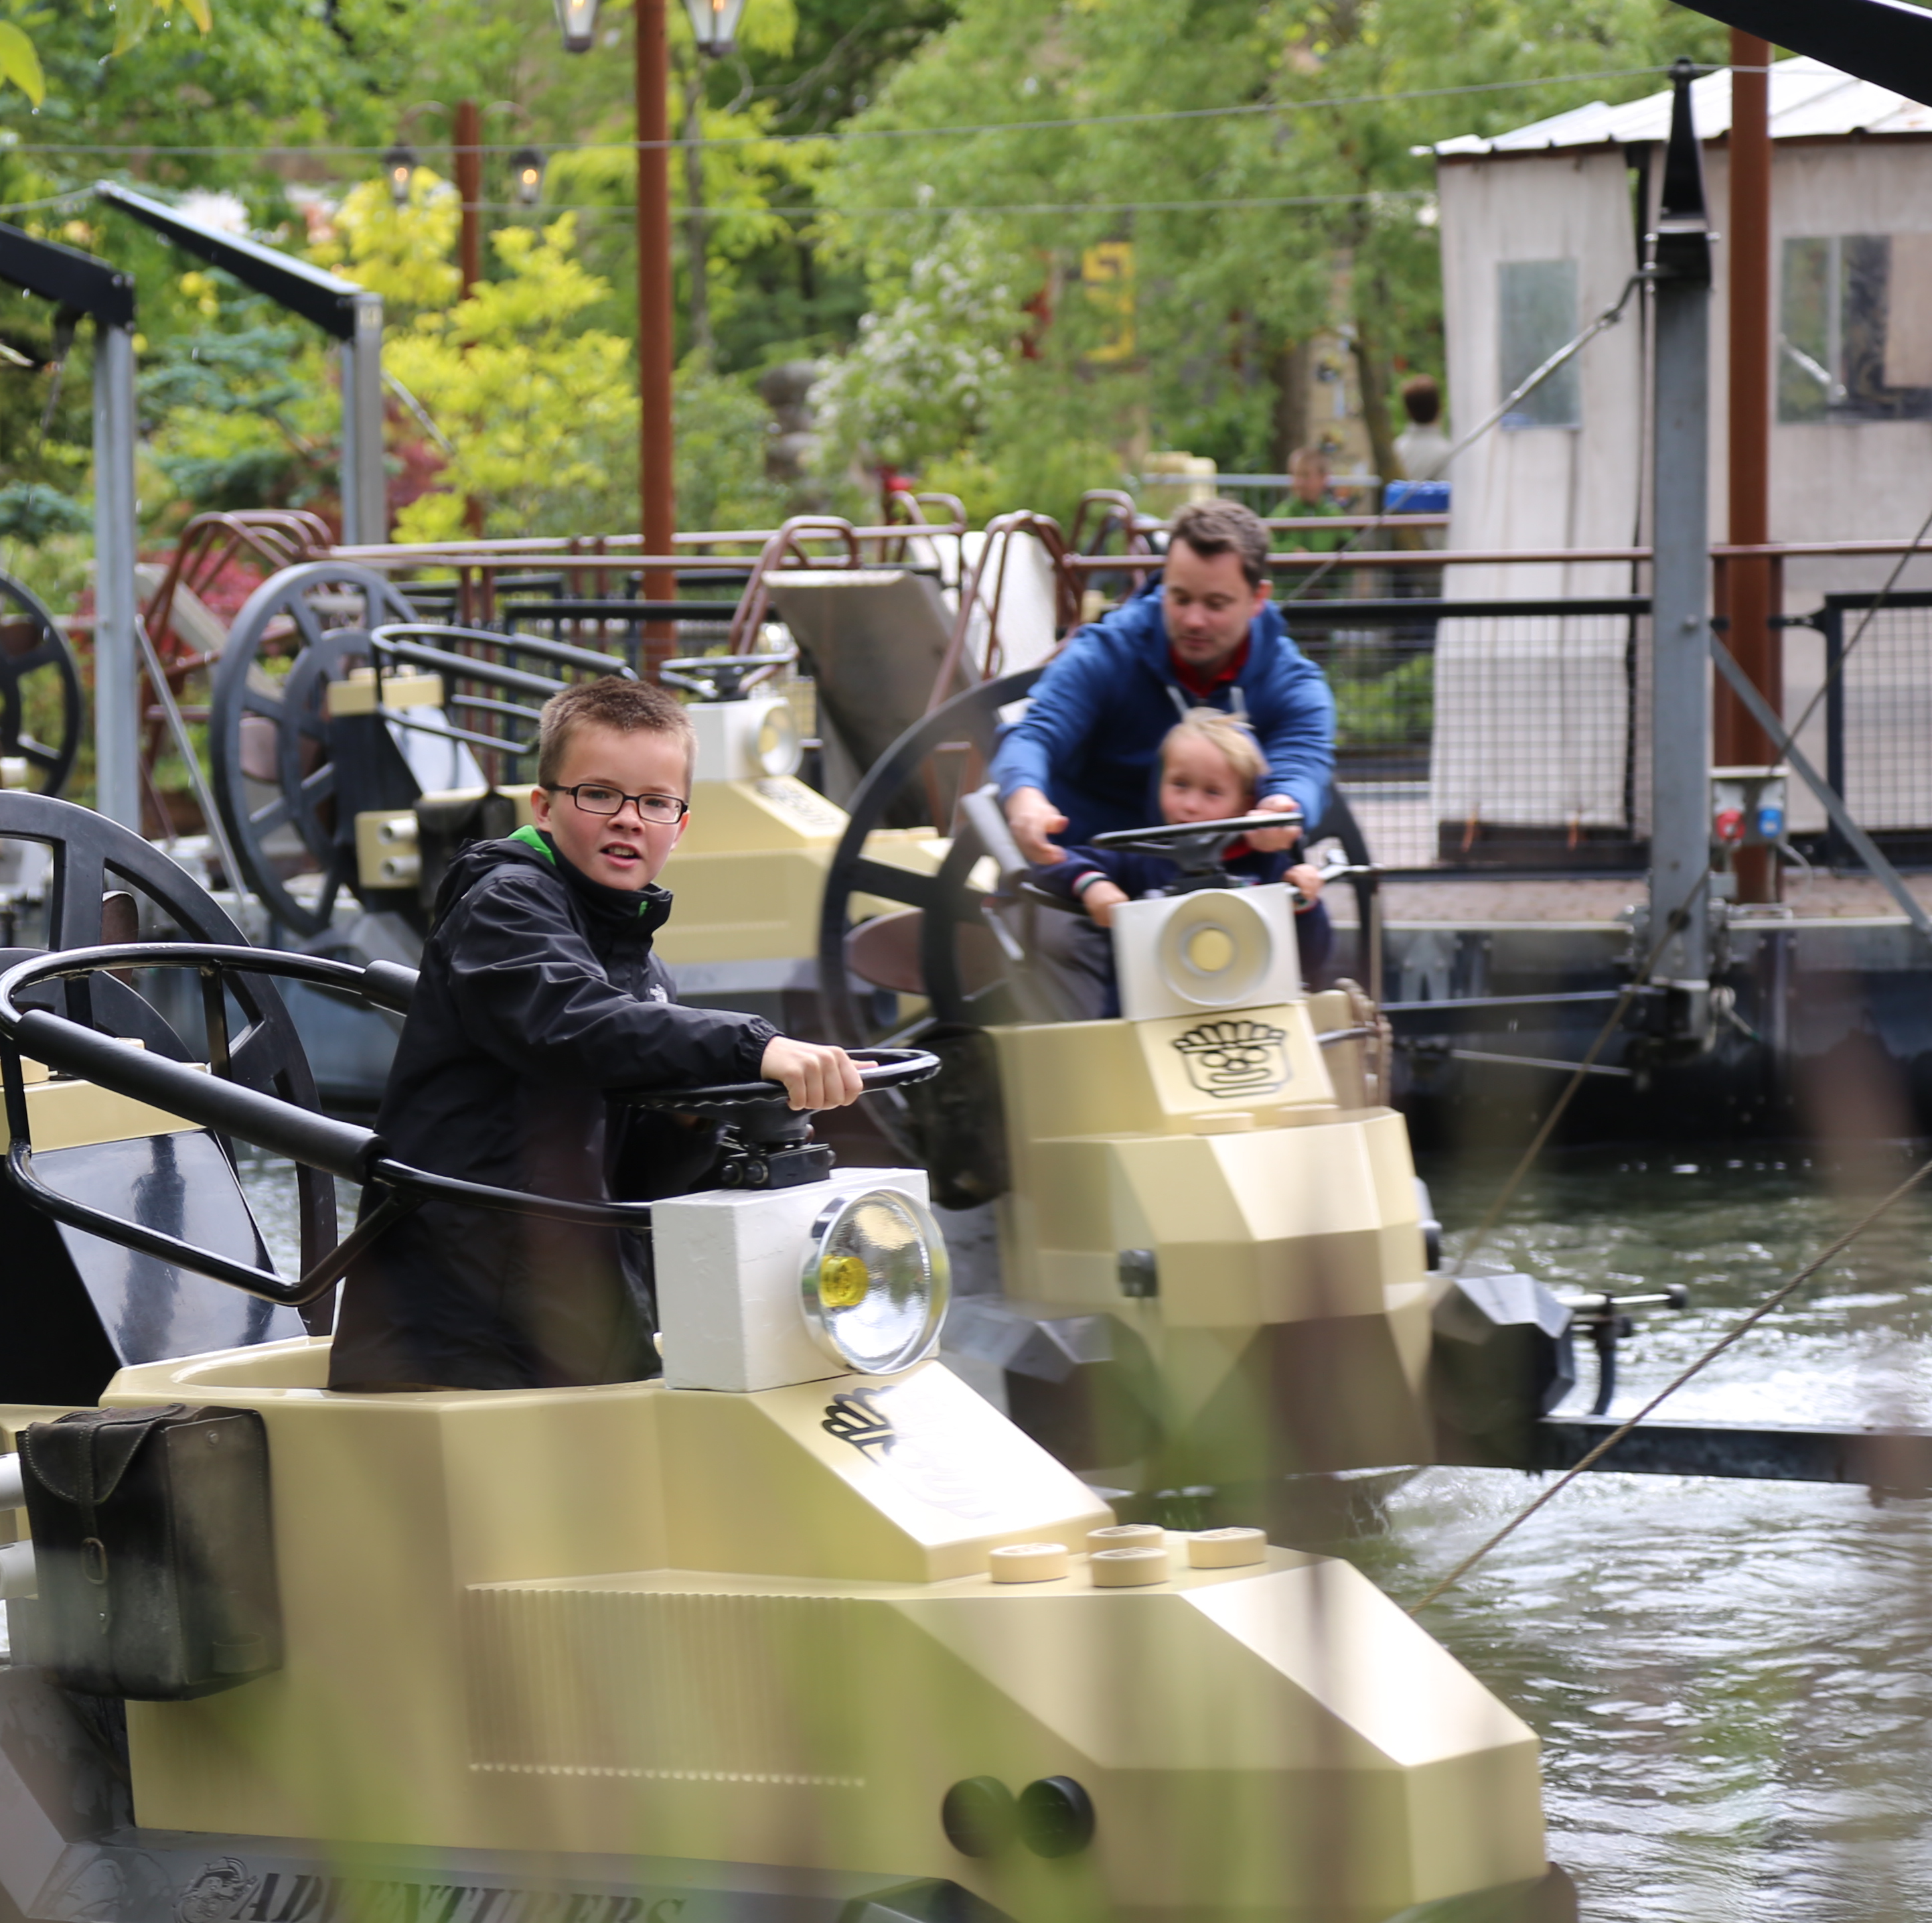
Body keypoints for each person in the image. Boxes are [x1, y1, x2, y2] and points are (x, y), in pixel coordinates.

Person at [328, 672, 870, 1394]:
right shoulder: (505, 907)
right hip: (464, 1327)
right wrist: (752, 1045)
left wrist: (688, 1118)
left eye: (654, 802)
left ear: (680, 827)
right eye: (599, 795)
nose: (627, 819)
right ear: (545, 808)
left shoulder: (640, 968)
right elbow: (569, 1021)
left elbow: (641, 1175)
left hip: (572, 1312)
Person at [990, 498, 1338, 979]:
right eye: (1180, 598)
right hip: (1084, 890)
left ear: (1259, 598)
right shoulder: (1107, 654)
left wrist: (1284, 806)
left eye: (1216, 604)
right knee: (1071, 952)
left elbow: (1302, 764)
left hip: (1218, 903)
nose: (1194, 619)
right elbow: (1036, 733)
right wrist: (1026, 797)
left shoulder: (1292, 685)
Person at [1017, 711, 1327, 1013]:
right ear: (1158, 784)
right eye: (1179, 784)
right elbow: (1050, 862)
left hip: (1252, 1021)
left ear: (1245, 804)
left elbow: (1312, 960)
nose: (1191, 805)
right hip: (1143, 1024)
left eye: (1213, 792)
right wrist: (1091, 884)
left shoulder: (1269, 867)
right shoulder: (1140, 855)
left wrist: (1304, 902)